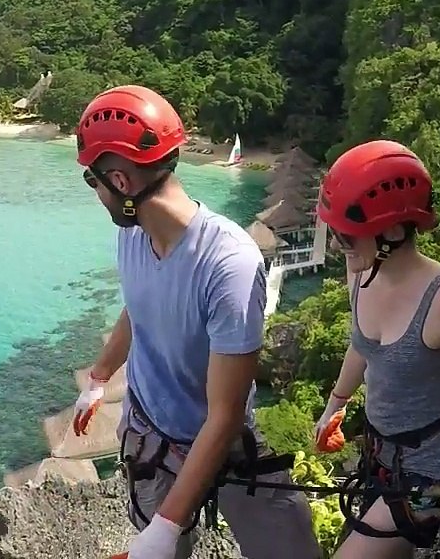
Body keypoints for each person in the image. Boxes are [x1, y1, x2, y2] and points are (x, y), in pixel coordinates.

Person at [70, 85, 322, 559]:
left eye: (93, 180)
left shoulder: (228, 263)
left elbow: (224, 416)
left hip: (222, 441)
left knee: (293, 548)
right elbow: (138, 305)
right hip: (151, 437)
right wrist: (100, 378)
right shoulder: (134, 236)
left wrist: (165, 528)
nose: (95, 193)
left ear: (121, 182)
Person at [311, 139, 440, 559]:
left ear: (393, 233)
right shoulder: (360, 272)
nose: (336, 246)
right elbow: (362, 346)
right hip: (382, 459)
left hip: (437, 472)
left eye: (345, 236)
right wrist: (336, 404)